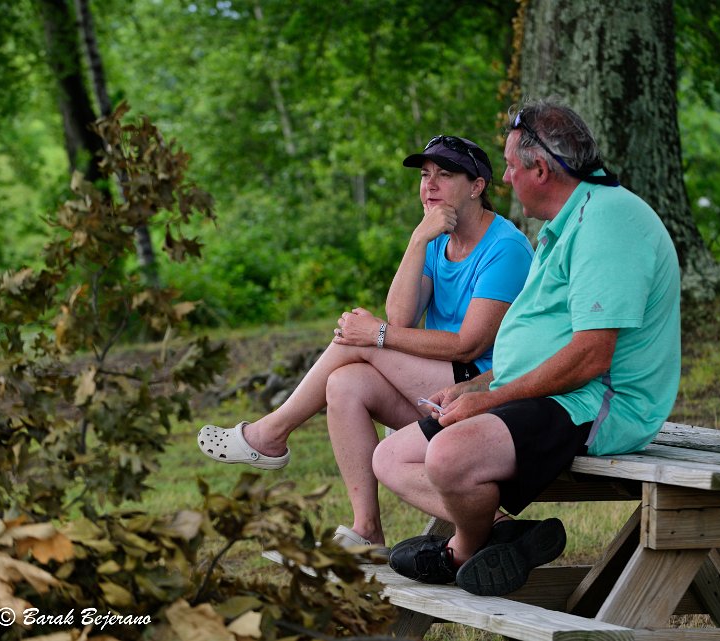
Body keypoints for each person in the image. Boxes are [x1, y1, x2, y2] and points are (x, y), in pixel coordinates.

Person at [373, 99, 681, 596]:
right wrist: (476, 386)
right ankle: (505, 537)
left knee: (448, 456)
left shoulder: (608, 223)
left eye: (511, 167)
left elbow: (592, 356)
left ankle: (462, 551)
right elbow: (543, 341)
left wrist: (490, 400)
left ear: (540, 170)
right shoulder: (568, 223)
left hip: (597, 403)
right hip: (548, 390)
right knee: (392, 457)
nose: (507, 178)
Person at [197, 135, 534, 556]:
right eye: (425, 175)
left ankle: (269, 434)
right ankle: (367, 530)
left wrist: (375, 335)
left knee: (364, 341)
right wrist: (417, 240)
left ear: (477, 186)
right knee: (345, 383)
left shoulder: (505, 248)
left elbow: (468, 345)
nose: (429, 185)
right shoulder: (435, 239)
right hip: (438, 389)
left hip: (484, 390)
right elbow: (401, 317)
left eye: (445, 175)